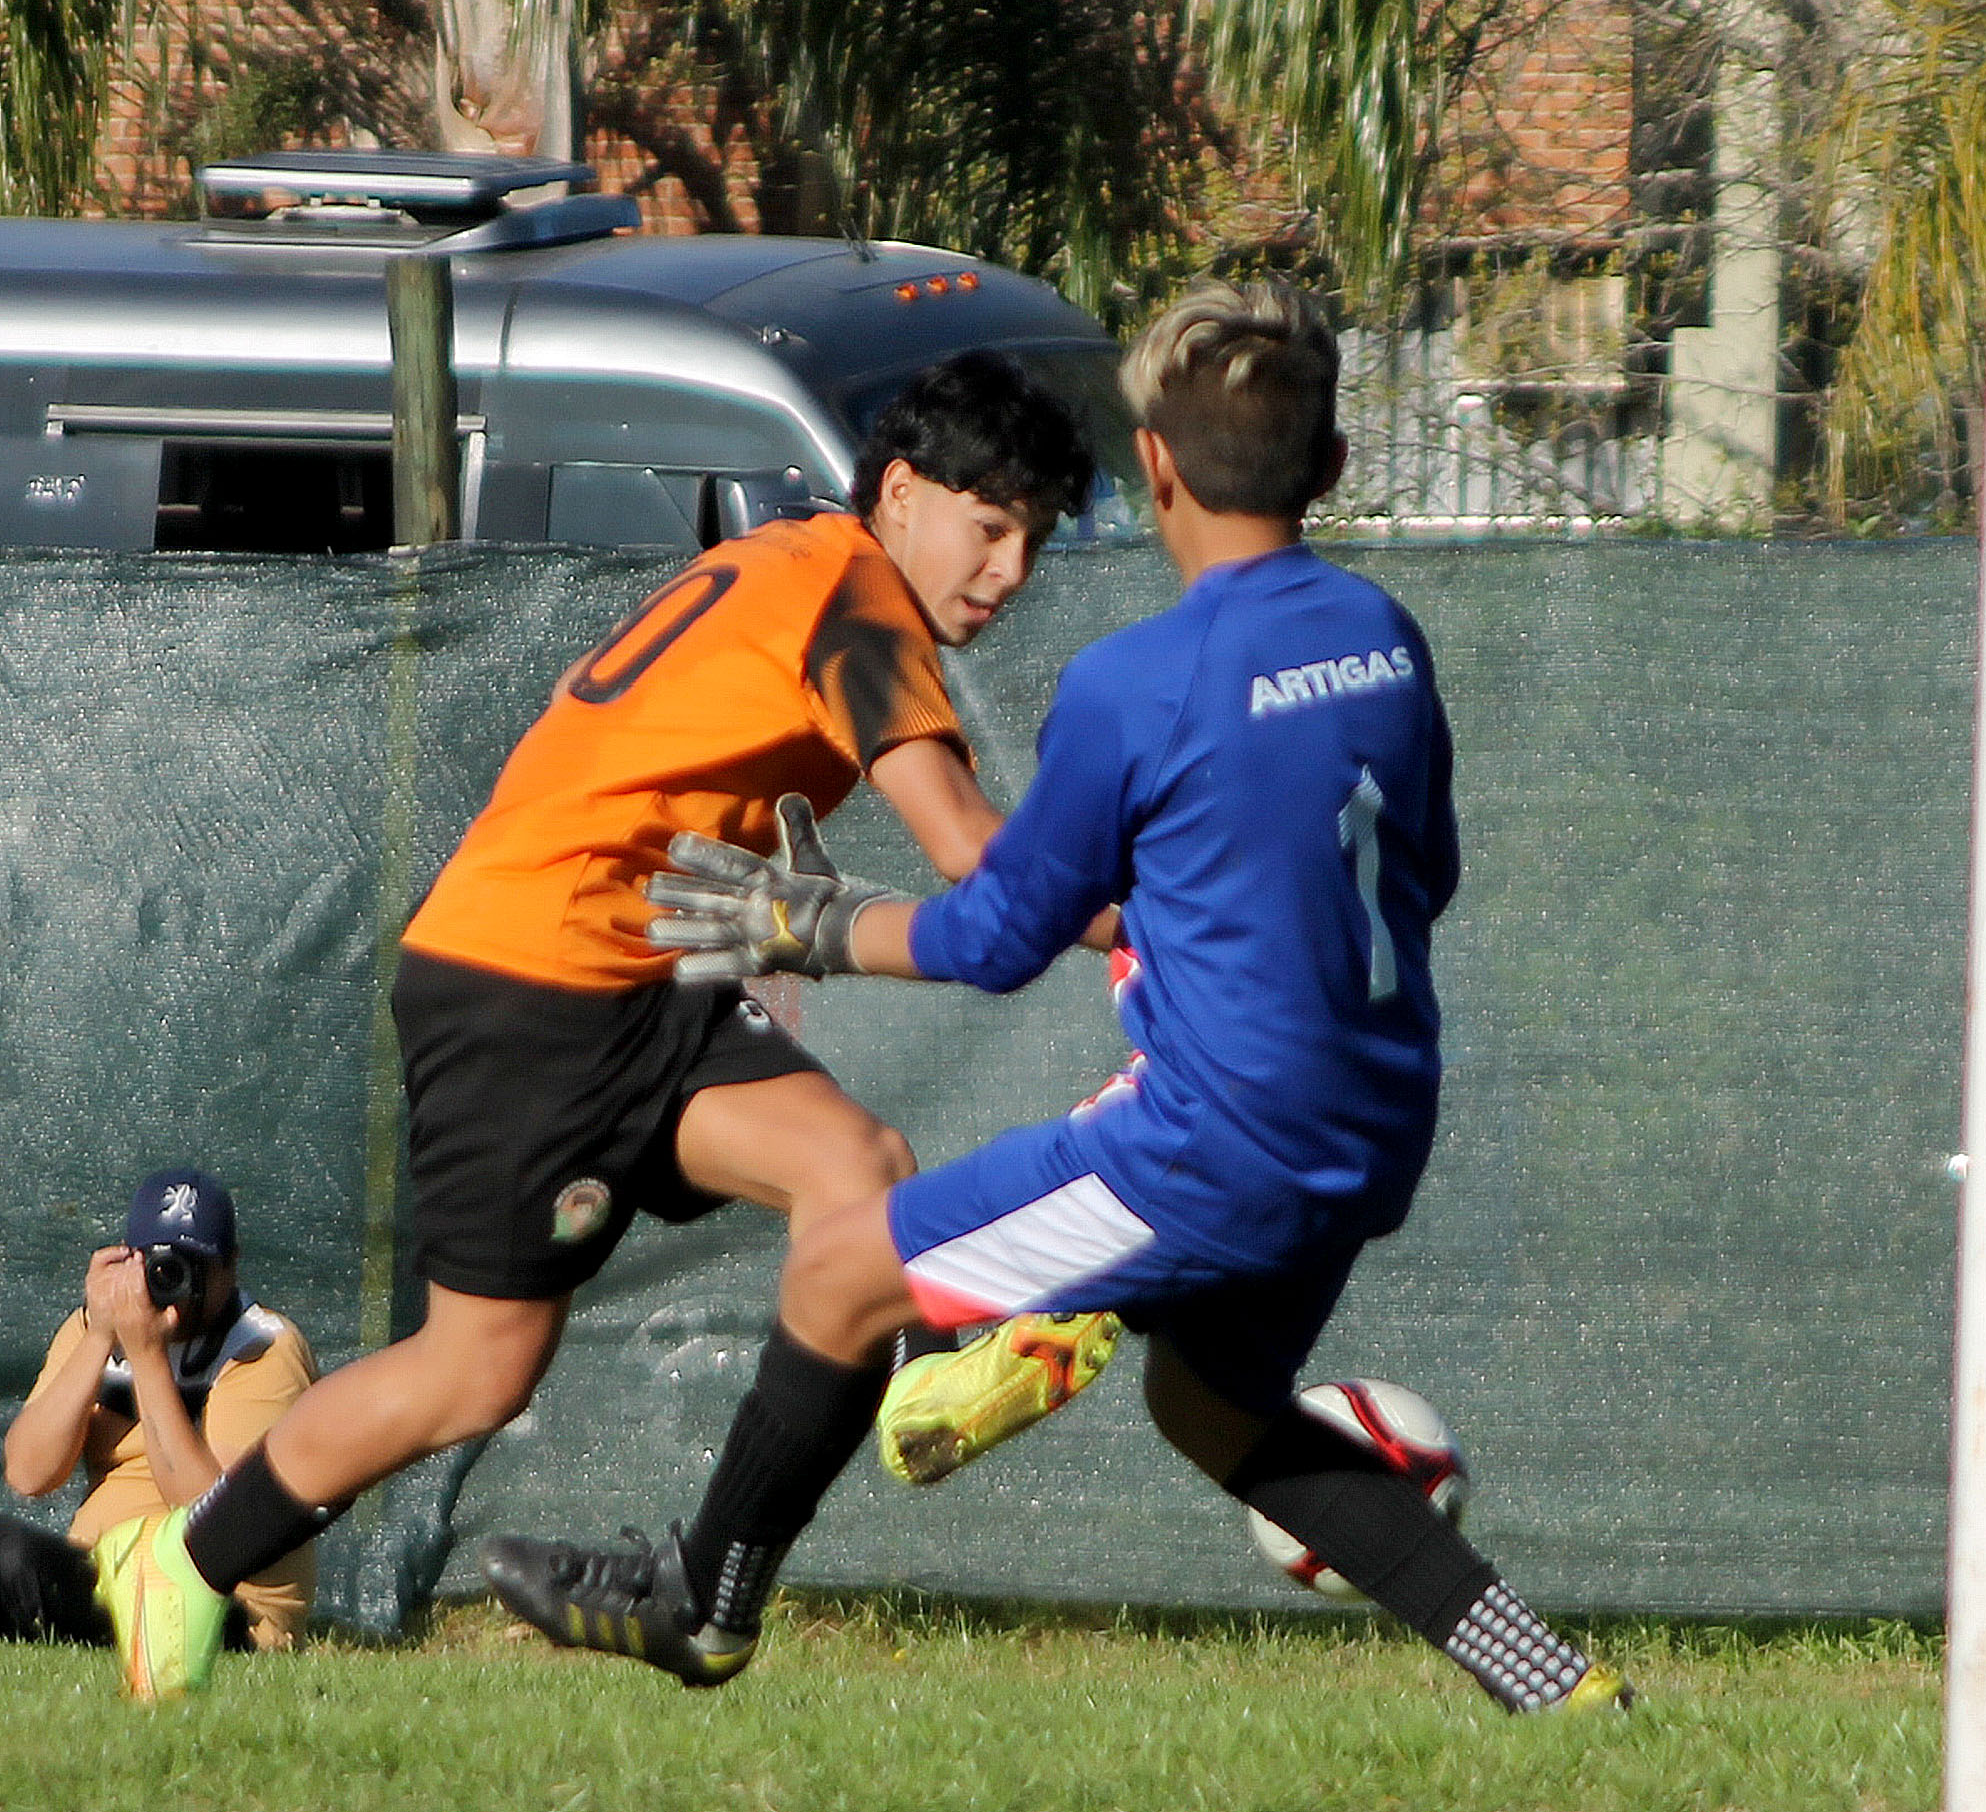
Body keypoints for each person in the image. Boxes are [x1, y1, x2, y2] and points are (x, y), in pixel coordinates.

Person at [482, 277, 1634, 1712]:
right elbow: (1427, 874)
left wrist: (814, 922)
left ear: (1154, 469)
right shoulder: (1385, 637)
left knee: (841, 1271)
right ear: (1330, 468)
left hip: (1213, 1144)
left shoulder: (1134, 681)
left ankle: (703, 1602)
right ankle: (1553, 1681)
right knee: (1209, 1402)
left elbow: (996, 935)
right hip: (1378, 1124)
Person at [89, 351, 1115, 1700]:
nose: (1012, 565)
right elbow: (977, 853)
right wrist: (1168, 916)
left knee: (856, 1165)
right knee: (475, 1371)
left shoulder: (808, 564)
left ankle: (903, 1398)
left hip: (640, 969)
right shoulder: (856, 600)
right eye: (992, 525)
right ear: (905, 492)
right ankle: (185, 1559)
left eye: (1034, 538)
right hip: (530, 980)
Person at [1, 1169, 316, 1662]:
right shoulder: (100, 1327)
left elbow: (215, 1521)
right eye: (159, 1262)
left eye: (195, 1266)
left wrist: (148, 1360)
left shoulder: (261, 1349)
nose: (175, 1283)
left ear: (231, 1268)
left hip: (222, 1602)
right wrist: (100, 1336)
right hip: (107, 1573)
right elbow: (27, 1473)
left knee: (11, 1559)